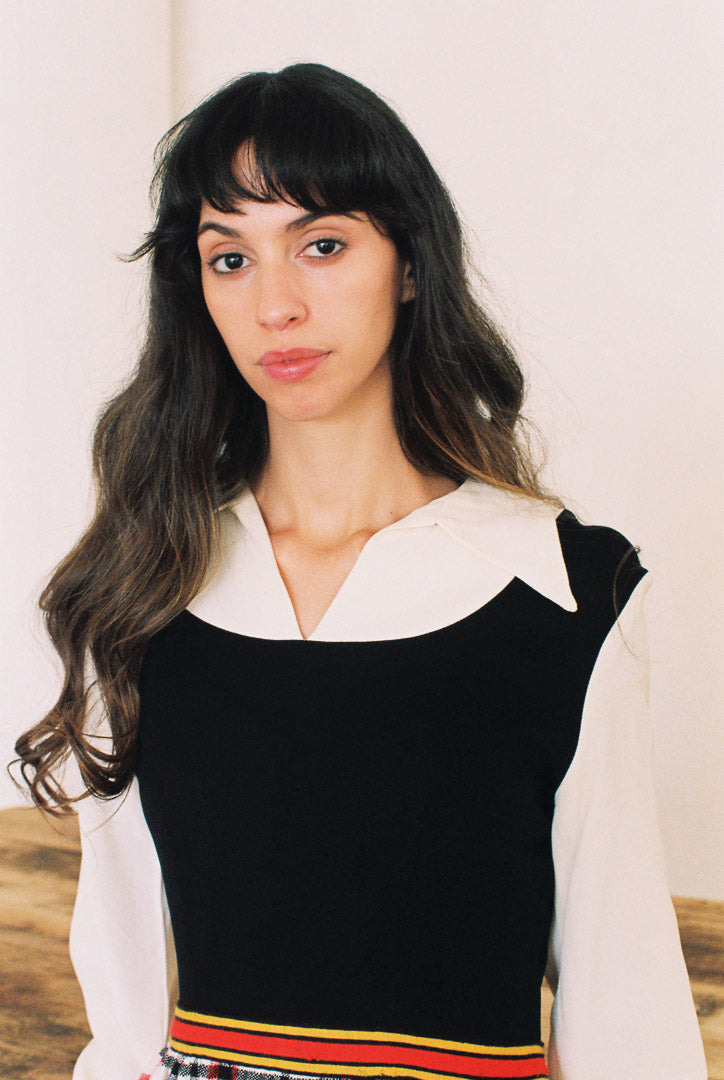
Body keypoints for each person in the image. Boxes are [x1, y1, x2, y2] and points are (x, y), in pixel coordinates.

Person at [15, 63, 706, 1080]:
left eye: (322, 245)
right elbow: (123, 1009)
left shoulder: (564, 599)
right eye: (230, 259)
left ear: (410, 264)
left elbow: (625, 1010)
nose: (276, 305)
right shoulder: (144, 587)